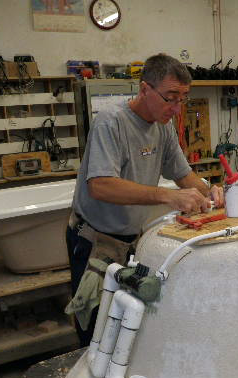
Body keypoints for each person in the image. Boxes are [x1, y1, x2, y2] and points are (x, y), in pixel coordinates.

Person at [67, 53, 224, 345]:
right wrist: (168, 196)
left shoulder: (163, 127)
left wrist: (209, 190)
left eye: (183, 99)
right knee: (94, 327)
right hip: (94, 242)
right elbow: (100, 186)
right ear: (144, 89)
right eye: (170, 98)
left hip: (130, 240)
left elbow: (183, 174)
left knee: (125, 320)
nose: (176, 108)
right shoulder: (111, 122)